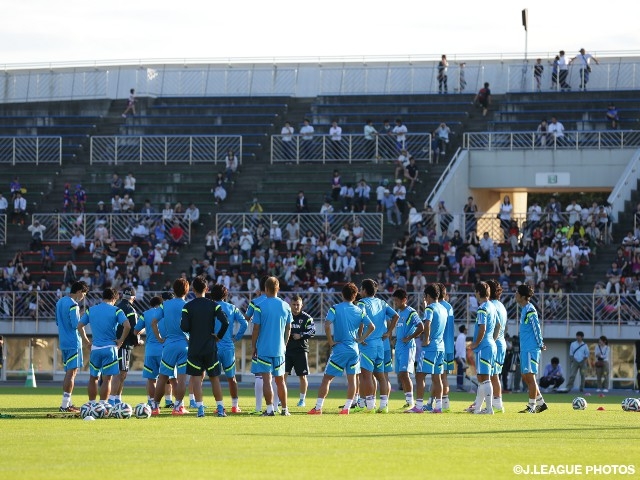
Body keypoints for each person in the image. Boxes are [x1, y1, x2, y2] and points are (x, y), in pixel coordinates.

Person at [307, 283, 375, 415]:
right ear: (355, 296)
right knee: (352, 380)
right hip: (354, 349)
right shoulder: (359, 311)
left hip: (340, 349)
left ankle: (318, 408)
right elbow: (372, 326)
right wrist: (360, 339)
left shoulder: (335, 308)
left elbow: (326, 325)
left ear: (342, 294)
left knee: (327, 379)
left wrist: (331, 341)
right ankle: (346, 409)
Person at [181, 276, 229, 417]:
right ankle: (220, 409)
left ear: (192, 289)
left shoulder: (187, 307)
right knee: (214, 378)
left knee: (196, 378)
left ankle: (200, 409)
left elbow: (184, 326)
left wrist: (192, 328)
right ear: (206, 289)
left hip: (195, 347)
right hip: (210, 346)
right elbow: (225, 322)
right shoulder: (214, 305)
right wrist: (219, 336)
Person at [77, 288, 130, 405]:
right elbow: (127, 325)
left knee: (93, 377)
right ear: (114, 298)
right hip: (110, 348)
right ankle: (103, 404)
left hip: (95, 348)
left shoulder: (91, 310)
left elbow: (80, 325)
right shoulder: (116, 310)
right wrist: (120, 341)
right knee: (107, 379)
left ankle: (91, 404)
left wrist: (86, 342)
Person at [250, 276, 293, 416]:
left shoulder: (260, 306)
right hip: (280, 349)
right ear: (278, 289)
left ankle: (269, 410)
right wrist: (285, 344)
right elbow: (289, 328)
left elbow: (256, 328)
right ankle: (285, 409)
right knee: (280, 381)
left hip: (264, 348)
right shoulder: (286, 306)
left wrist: (253, 346)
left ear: (266, 289)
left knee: (267, 380)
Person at [356, 278, 398, 413]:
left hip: (368, 343)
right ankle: (384, 406)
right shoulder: (382, 303)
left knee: (366, 376)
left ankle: (370, 406)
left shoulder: (362, 302)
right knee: (381, 376)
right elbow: (396, 316)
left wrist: (361, 336)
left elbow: (361, 318)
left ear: (364, 290)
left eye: (361, 289)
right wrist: (389, 332)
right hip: (381, 344)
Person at [149, 278, 190, 415]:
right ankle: (178, 407)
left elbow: (153, 323)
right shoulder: (187, 305)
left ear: (174, 290)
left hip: (169, 344)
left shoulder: (164, 305)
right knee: (182, 378)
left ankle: (155, 406)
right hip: (184, 345)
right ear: (187, 290)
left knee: (162, 377)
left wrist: (160, 338)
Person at [210, 283, 247, 413]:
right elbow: (244, 323)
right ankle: (235, 406)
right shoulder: (232, 308)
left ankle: (219, 406)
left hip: (213, 347)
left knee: (215, 378)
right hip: (228, 347)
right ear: (225, 295)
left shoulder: (210, 307)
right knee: (231, 378)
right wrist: (236, 338)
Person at [55, 281, 89, 412]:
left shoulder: (60, 302)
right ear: (80, 291)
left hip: (63, 341)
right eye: (84, 294)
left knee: (69, 372)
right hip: (73, 342)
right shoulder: (73, 305)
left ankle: (67, 403)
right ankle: (64, 405)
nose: (83, 297)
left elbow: (58, 322)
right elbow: (77, 325)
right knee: (72, 373)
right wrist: (86, 340)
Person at [414, 284, 447, 413]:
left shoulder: (430, 309)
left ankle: (418, 406)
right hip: (440, 346)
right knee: (437, 377)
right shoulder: (443, 308)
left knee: (420, 375)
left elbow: (427, 324)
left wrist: (426, 339)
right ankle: (438, 407)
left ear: (427, 296)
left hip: (430, 347)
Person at [515, 283, 548, 413]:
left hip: (531, 348)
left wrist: (540, 343)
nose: (515, 295)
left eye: (517, 293)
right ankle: (541, 403)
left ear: (523, 296)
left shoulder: (530, 309)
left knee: (530, 376)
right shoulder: (524, 309)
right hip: (525, 348)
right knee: (525, 376)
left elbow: (536, 326)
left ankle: (531, 407)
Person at [134, 295, 170, 408]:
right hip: (165, 349)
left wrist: (145, 329)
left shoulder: (145, 314)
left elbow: (136, 331)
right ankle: (168, 401)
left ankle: (151, 402)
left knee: (151, 379)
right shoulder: (166, 313)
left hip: (150, 351)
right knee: (168, 378)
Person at [466, 281, 497, 414]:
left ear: (478, 292)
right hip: (490, 344)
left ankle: (489, 409)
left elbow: (482, 327)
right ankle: (478, 408)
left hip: (484, 346)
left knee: (485, 378)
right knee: (482, 378)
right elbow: (498, 326)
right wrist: (492, 341)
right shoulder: (492, 306)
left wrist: (476, 343)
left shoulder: (482, 308)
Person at [392, 288, 423, 410]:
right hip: (399, 347)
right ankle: (407, 400)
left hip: (408, 347)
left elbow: (421, 327)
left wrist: (410, 337)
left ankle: (411, 402)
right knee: (401, 375)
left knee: (405, 374)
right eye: (394, 301)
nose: (395, 303)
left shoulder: (411, 312)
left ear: (404, 300)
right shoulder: (398, 314)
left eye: (397, 300)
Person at [109, 286, 139, 406]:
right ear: (134, 298)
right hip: (124, 344)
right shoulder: (131, 310)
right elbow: (134, 329)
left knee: (118, 372)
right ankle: (113, 400)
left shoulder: (116, 307)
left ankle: (117, 399)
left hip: (112, 342)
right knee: (121, 373)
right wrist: (137, 341)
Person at [284, 294, 315, 407]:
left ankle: (302, 400)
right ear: (290, 305)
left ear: (302, 305)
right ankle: (281, 399)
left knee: (302, 376)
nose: (296, 307)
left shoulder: (307, 318)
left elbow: (312, 331)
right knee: (283, 375)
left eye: (298, 305)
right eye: (294, 304)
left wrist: (301, 335)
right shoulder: (286, 316)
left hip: (301, 350)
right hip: (286, 351)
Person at [487, 279, 507, 413]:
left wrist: (491, 342)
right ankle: (495, 403)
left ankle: (497, 404)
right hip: (501, 342)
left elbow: (497, 326)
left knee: (491, 375)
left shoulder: (491, 305)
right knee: (494, 375)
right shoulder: (501, 305)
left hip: (495, 343)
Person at [454, 325, 468, 392]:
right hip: (460, 357)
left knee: (461, 372)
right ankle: (459, 386)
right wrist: (459, 357)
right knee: (460, 372)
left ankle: (461, 386)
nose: (467, 331)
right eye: (466, 329)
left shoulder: (461, 337)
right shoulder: (461, 337)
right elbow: (459, 348)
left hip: (461, 356)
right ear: (463, 330)